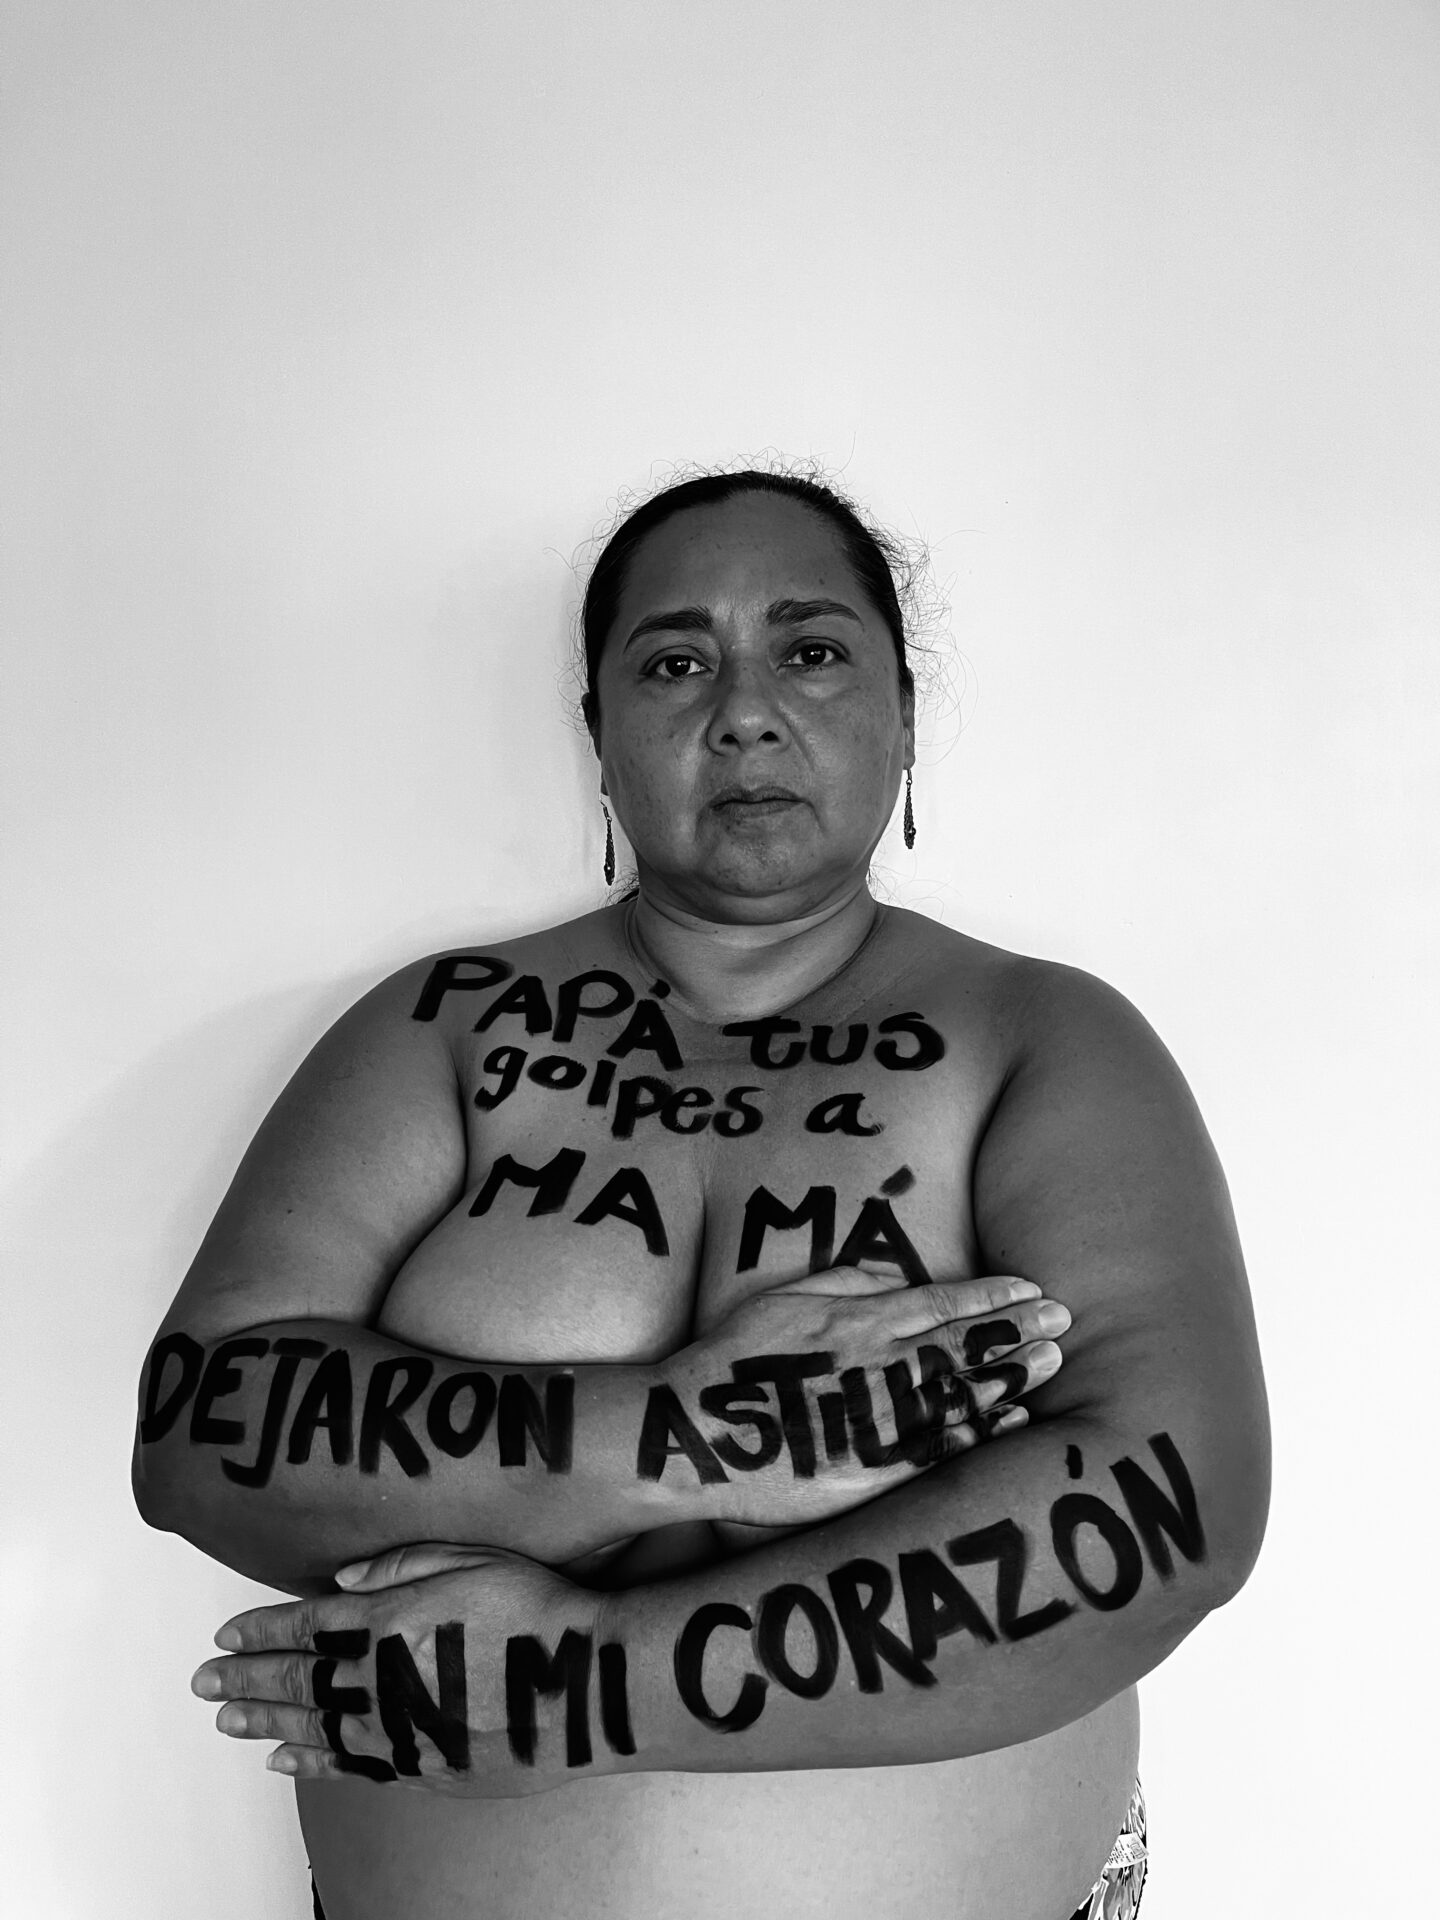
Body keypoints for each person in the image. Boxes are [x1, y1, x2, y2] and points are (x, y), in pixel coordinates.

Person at [132, 468, 1270, 1920]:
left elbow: (1177, 1501)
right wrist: (702, 1439)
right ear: (599, 736)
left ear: (902, 714)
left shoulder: (1044, 1039)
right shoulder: (444, 1028)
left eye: (811, 650)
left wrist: (577, 1688)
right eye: (675, 664)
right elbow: (196, 1431)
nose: (743, 711)